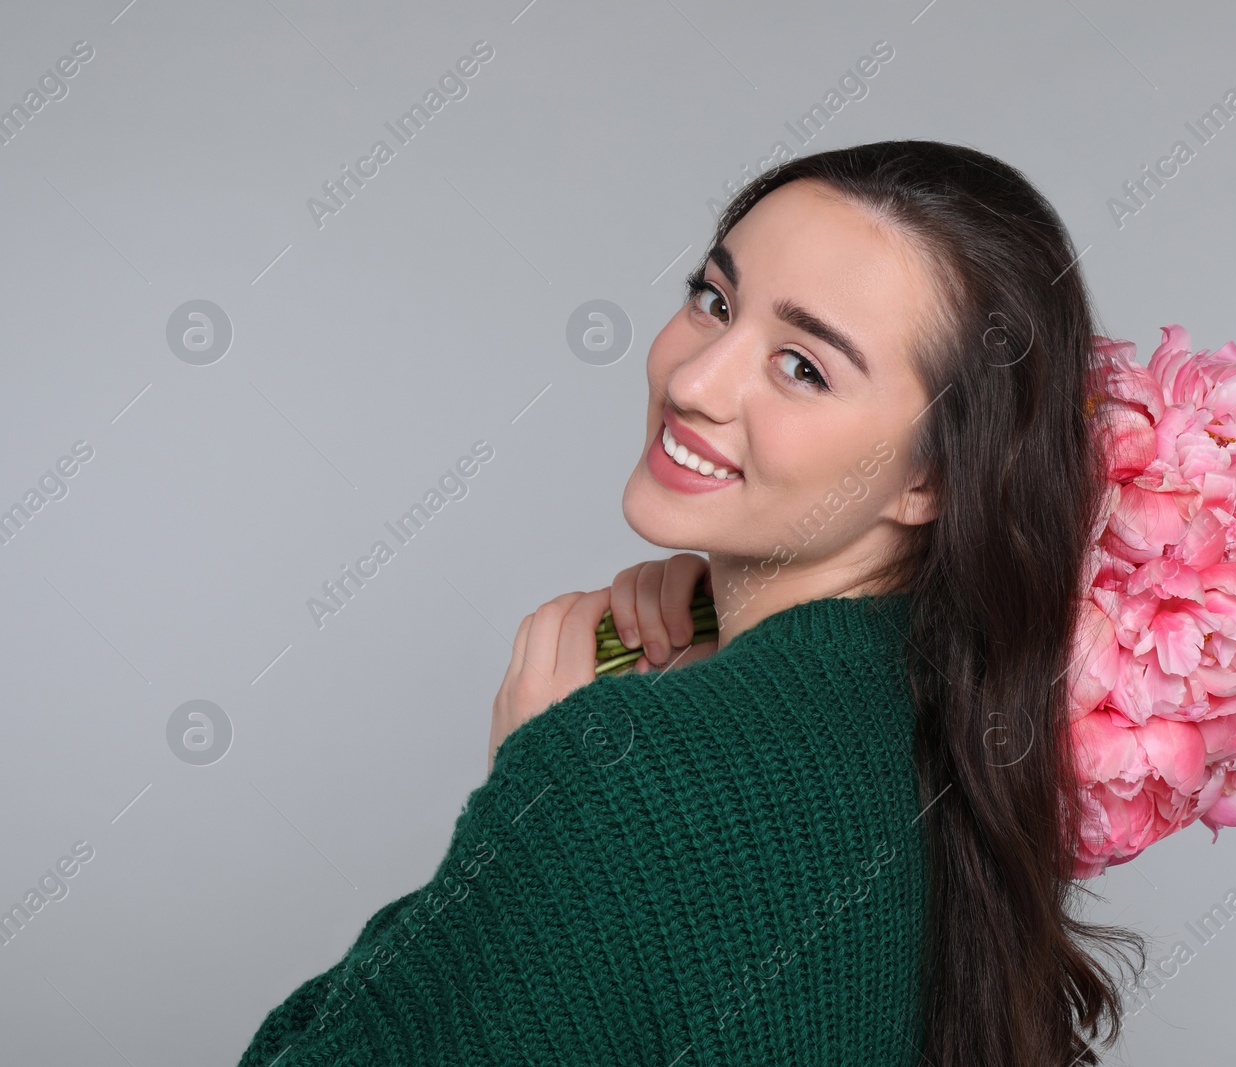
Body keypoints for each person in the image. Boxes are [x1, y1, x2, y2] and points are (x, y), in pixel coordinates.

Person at [237, 139, 1148, 1067]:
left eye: (803, 367)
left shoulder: (621, 778)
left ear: (931, 477)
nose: (690, 380)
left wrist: (532, 804)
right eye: (715, 301)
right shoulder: (958, 731)